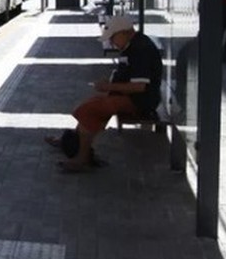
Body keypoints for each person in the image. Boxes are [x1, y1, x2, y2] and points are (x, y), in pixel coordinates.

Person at [47, 14, 163, 172]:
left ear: (124, 32)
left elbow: (140, 87)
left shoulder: (140, 49)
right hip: (132, 97)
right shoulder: (132, 45)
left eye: (113, 38)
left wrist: (109, 87)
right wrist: (109, 86)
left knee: (91, 109)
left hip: (140, 101)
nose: (112, 43)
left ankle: (82, 158)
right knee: (93, 106)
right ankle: (74, 141)